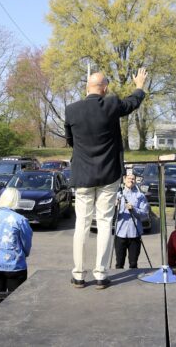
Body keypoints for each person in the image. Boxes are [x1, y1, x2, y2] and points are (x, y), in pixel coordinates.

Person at [65, 68, 148, 289]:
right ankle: (101, 274)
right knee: (104, 223)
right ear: (105, 88)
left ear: (87, 88)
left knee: (81, 224)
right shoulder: (111, 105)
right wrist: (139, 85)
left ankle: (79, 275)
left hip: (82, 175)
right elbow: (132, 103)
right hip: (108, 175)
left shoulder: (71, 110)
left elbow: (70, 140)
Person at [0, 188, 33, 307]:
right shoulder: (20, 219)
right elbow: (26, 243)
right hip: (15, 267)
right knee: (16, 303)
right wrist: (25, 254)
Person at [114, 173, 149, 269]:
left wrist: (133, 209)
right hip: (120, 233)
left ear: (135, 181)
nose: (131, 180)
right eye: (129, 178)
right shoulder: (117, 196)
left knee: (133, 264)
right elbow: (110, 215)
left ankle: (134, 283)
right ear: (124, 180)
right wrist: (114, 207)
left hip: (135, 234)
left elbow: (145, 214)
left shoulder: (140, 196)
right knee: (119, 264)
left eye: (133, 179)